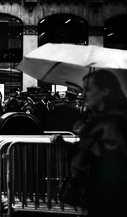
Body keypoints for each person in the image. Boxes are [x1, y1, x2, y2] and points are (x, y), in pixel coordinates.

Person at [54, 70, 127, 217]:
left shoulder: (111, 123)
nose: (83, 94)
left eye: (88, 89)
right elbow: (90, 152)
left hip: (108, 198)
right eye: (82, 90)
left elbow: (108, 162)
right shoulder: (99, 120)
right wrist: (64, 144)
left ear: (105, 91)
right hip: (98, 196)